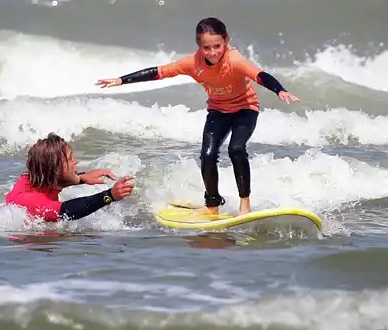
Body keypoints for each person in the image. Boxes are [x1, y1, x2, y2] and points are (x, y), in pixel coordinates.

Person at [95, 17, 299, 216]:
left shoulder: (234, 59)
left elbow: (259, 75)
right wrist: (121, 80)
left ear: (226, 40)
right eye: (206, 48)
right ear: (199, 46)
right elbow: (159, 72)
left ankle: (244, 204)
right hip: (218, 111)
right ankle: (212, 205)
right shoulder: (192, 63)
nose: (212, 52)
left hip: (245, 109)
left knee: (236, 149)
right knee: (208, 155)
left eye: (217, 46)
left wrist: (279, 90)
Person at [5, 132, 135, 222]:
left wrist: (81, 178)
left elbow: (55, 179)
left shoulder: (30, 179)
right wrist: (109, 196)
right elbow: (68, 210)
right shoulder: (36, 203)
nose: (76, 162)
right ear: (55, 169)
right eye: (70, 159)